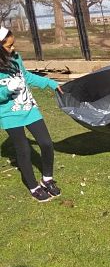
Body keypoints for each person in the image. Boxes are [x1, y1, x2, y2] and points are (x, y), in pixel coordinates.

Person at [0, 26, 63, 201]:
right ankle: (33, 186)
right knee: (24, 151)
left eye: (13, 45)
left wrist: (49, 83)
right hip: (10, 114)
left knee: (46, 143)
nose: (13, 49)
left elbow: (26, 76)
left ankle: (47, 179)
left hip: (29, 108)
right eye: (9, 46)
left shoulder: (16, 58)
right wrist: (6, 89)